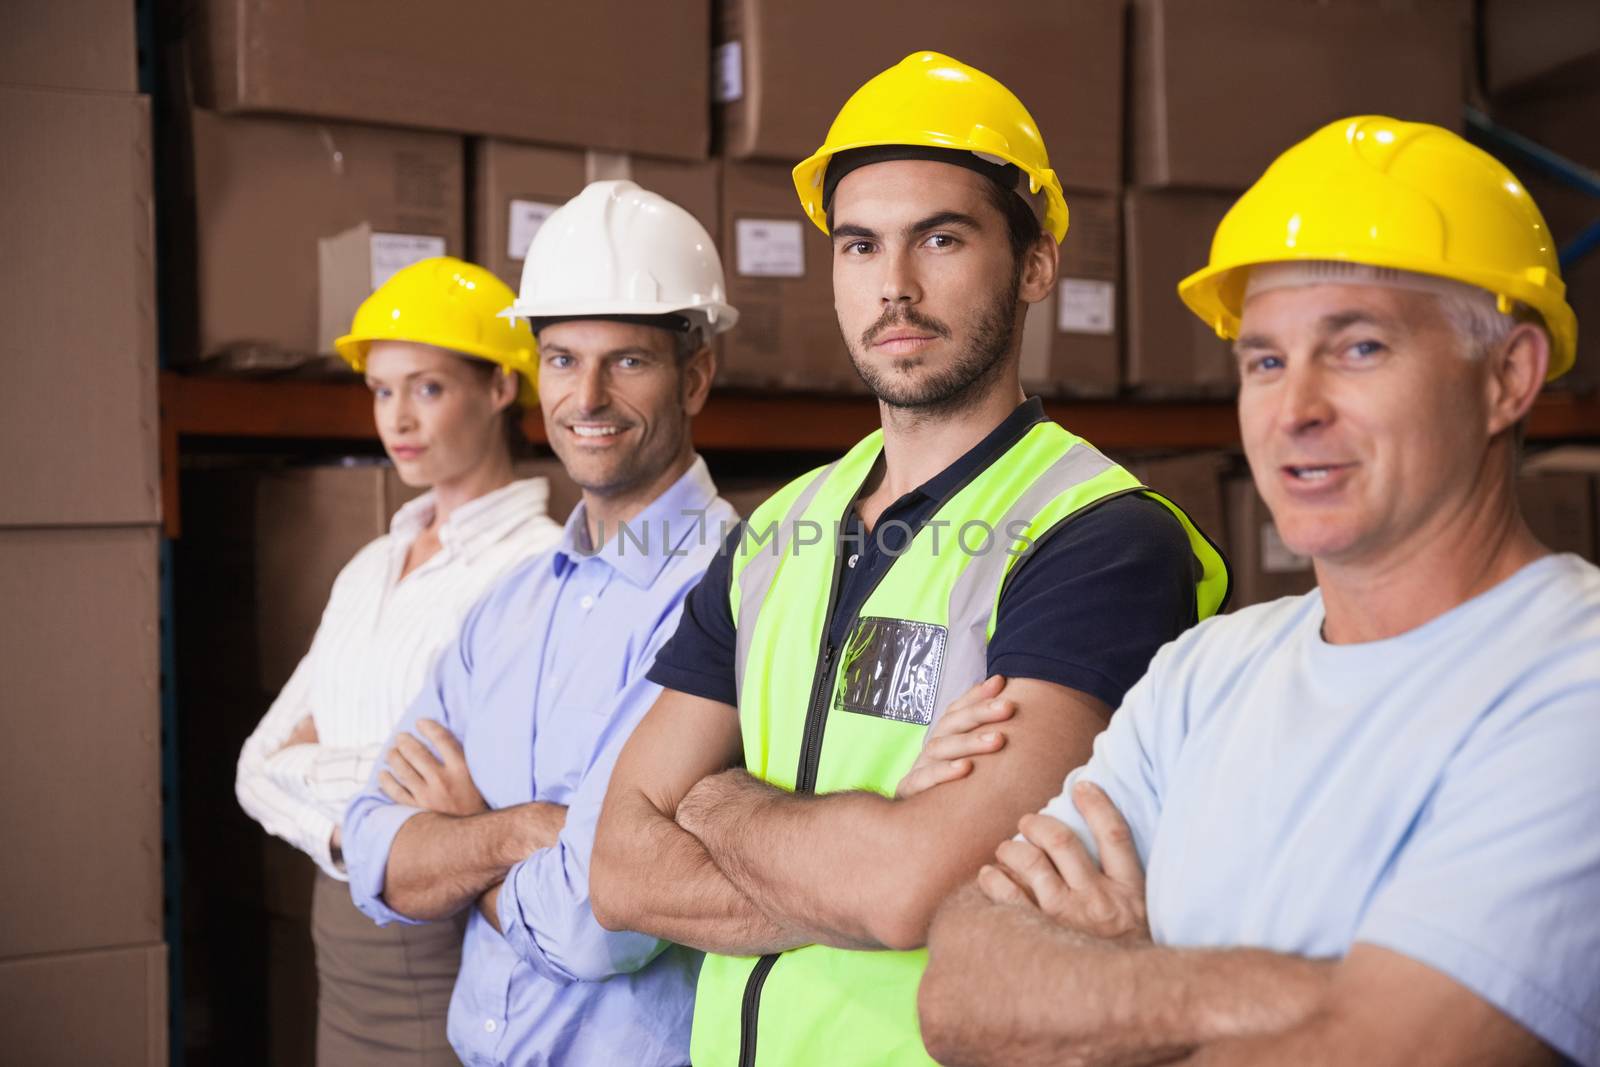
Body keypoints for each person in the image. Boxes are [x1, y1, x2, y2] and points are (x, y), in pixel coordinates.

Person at [589, 52, 1230, 1067]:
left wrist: (716, 799)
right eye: (858, 245)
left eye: (940, 237)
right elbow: (618, 866)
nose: (893, 286)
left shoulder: (1099, 537)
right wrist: (874, 849)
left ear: (1034, 264)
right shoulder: (775, 532)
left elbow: (913, 888)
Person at [919, 115, 1599, 1067]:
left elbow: (1383, 1049)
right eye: (1266, 361)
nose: (1297, 409)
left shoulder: (1571, 688)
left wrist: (1116, 986)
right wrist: (1271, 991)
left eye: (1360, 347)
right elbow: (960, 987)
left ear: (1509, 376)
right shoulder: (1208, 670)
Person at [341, 180, 739, 1066]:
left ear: (697, 376)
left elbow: (597, 917)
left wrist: (461, 835)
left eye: (627, 362)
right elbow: (373, 848)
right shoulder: (511, 601)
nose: (586, 397)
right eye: (561, 360)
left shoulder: (731, 592)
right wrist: (521, 829)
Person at [235, 256, 562, 1063]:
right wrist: (381, 816)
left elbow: (504, 798)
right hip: (340, 944)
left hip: (440, 947)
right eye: (382, 391)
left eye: (428, 387)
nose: (399, 419)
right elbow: (255, 764)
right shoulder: (371, 565)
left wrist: (319, 768)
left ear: (498, 389)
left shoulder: (535, 569)